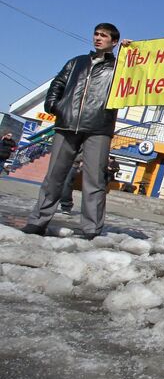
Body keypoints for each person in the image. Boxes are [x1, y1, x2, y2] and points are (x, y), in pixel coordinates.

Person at [22, 23, 125, 239]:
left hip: (98, 127)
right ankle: (37, 222)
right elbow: (58, 83)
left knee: (94, 180)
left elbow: (137, 78)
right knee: (54, 177)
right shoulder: (76, 62)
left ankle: (91, 229)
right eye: (96, 34)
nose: (98, 38)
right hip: (67, 124)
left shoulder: (119, 67)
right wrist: (54, 105)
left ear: (114, 42)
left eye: (104, 36)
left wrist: (129, 54)